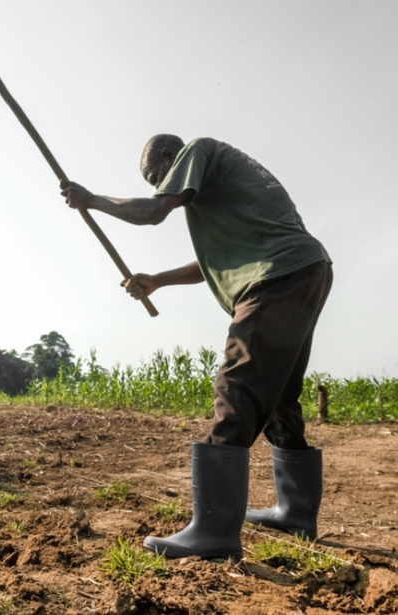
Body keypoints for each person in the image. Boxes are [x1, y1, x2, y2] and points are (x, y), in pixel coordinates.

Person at [61, 135, 332, 560]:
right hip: (303, 270)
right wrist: (157, 280)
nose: (159, 186)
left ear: (173, 156)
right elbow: (214, 261)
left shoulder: (197, 151)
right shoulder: (225, 183)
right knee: (278, 398)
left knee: (236, 387)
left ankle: (214, 533)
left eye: (157, 177)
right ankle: (295, 514)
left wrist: (92, 200)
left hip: (276, 278)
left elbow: (153, 213)